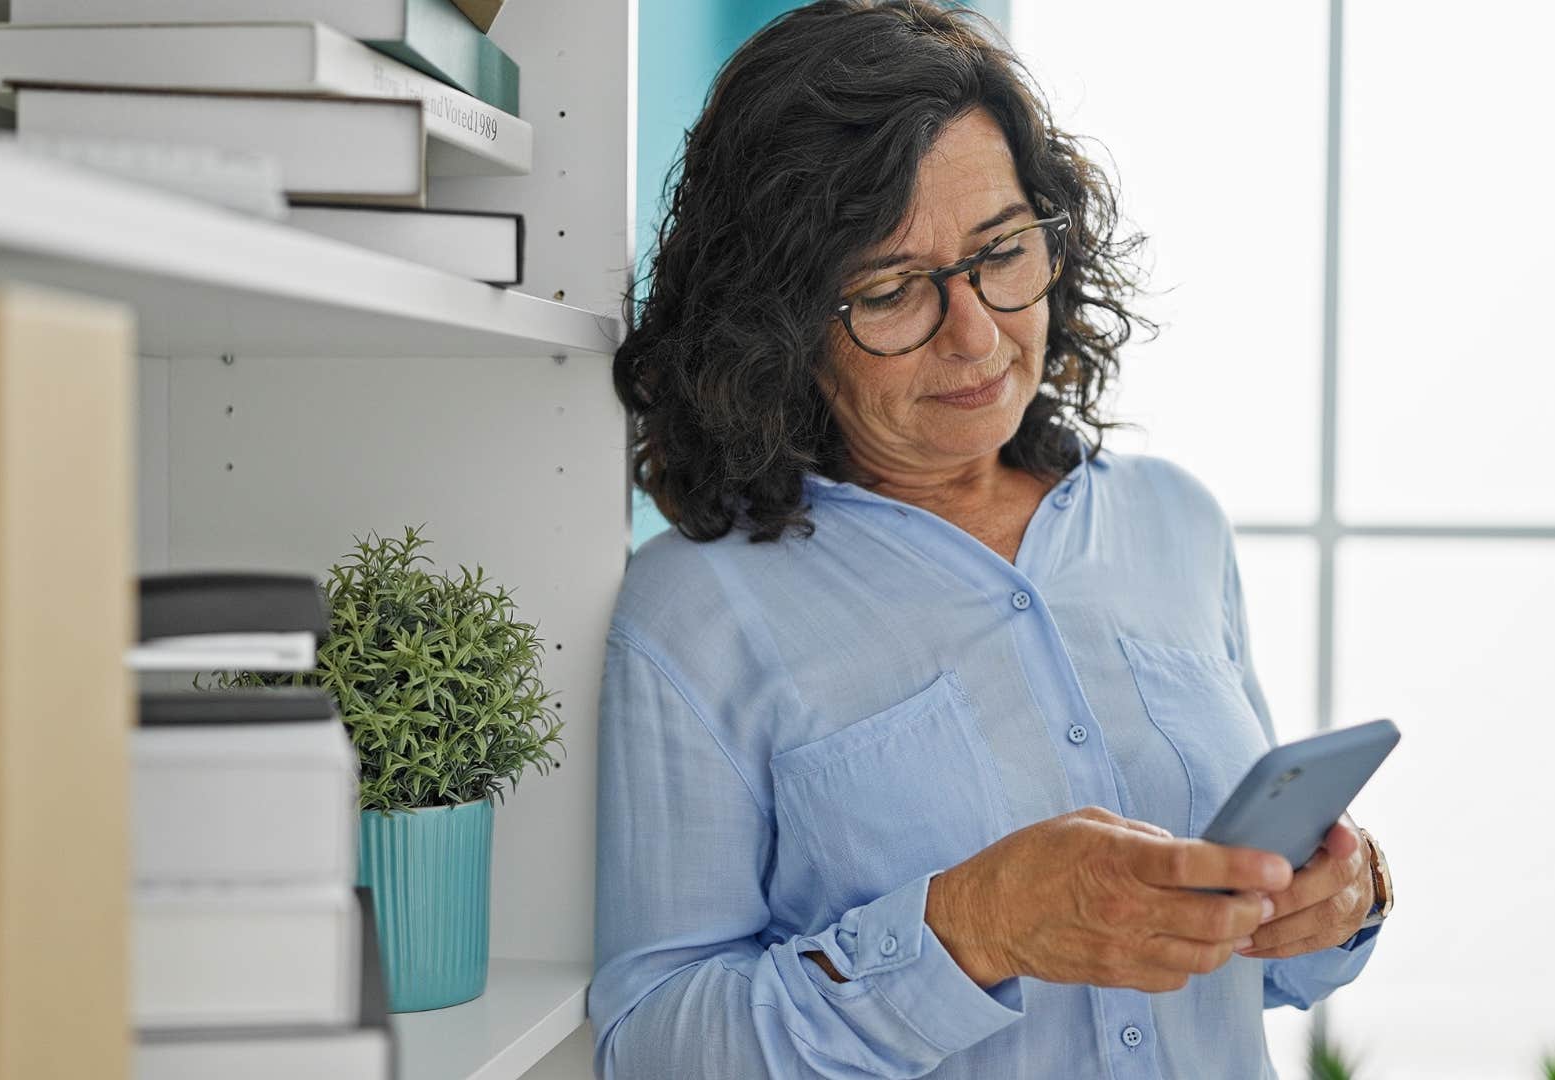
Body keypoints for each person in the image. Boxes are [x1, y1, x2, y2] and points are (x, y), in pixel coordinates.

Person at [590, 1, 1393, 1077]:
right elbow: (653, 1044)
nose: (974, 335)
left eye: (1001, 253)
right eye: (890, 291)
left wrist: (1338, 901)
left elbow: (1273, 962)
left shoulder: (1174, 524)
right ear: (776, 322)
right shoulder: (691, 613)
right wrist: (976, 924)